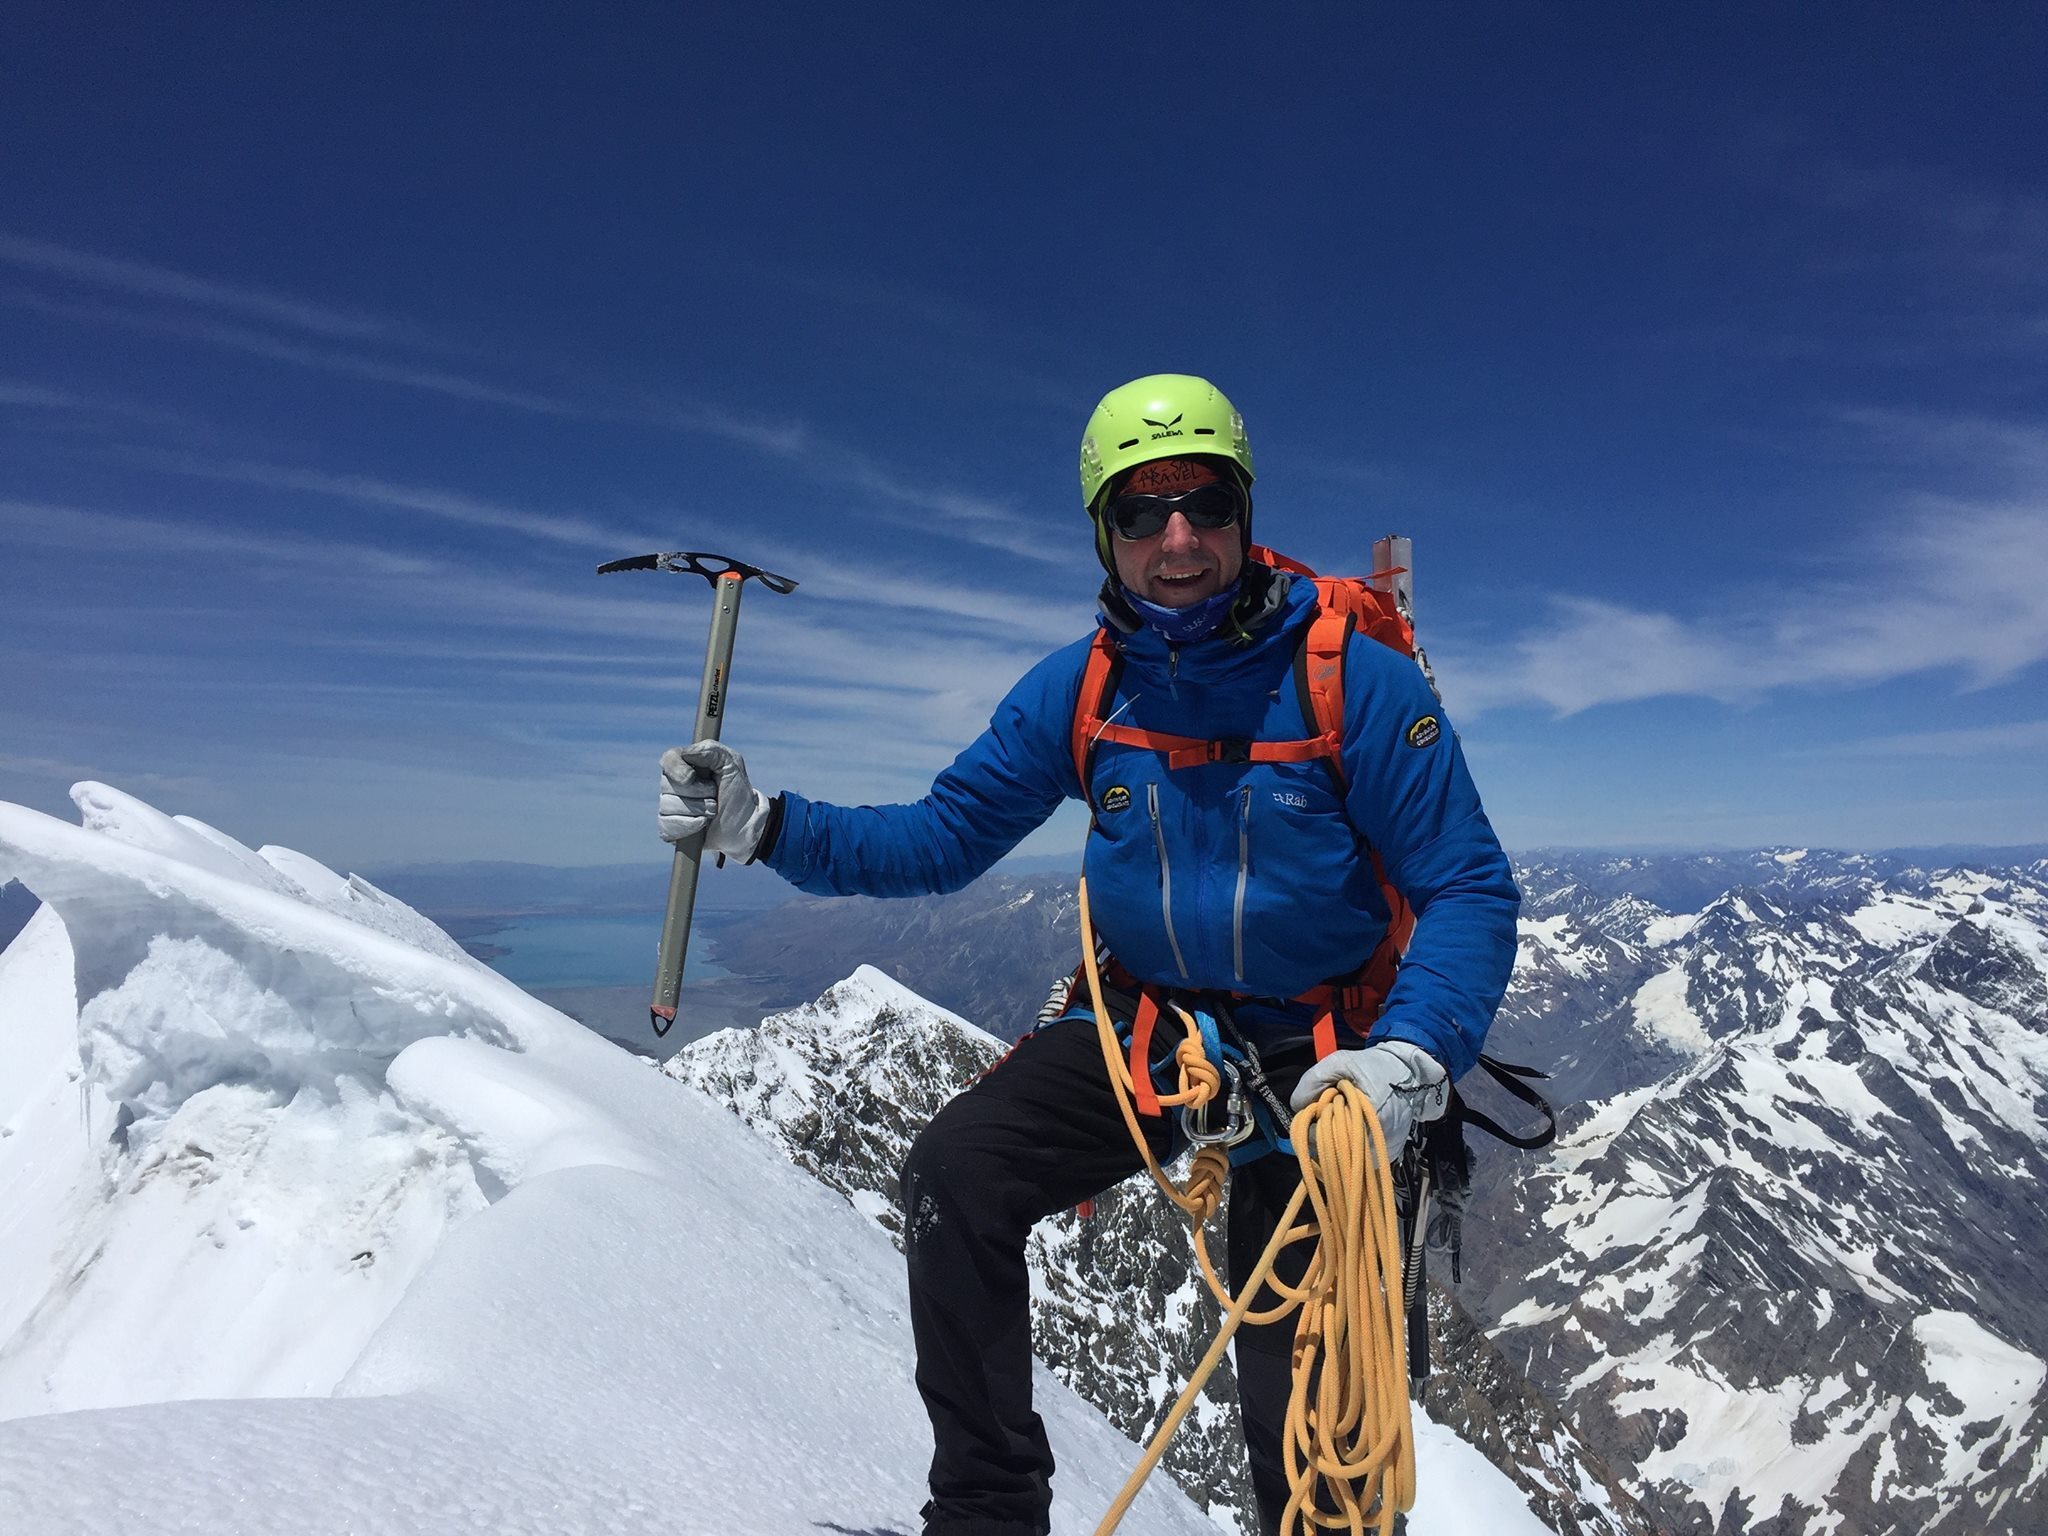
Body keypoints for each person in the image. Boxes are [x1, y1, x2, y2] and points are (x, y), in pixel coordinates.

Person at [657, 374, 1519, 1536]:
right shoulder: (1083, 689)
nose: (1176, 540)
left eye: (1203, 503)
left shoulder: (1352, 678)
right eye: (1138, 512)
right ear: (1101, 532)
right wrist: (765, 830)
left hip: (1331, 1061)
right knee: (959, 1178)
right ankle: (986, 1516)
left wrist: (1409, 1057)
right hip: (1153, 1030)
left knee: (1302, 1392)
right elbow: (941, 835)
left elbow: (1462, 883)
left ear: (1243, 513)